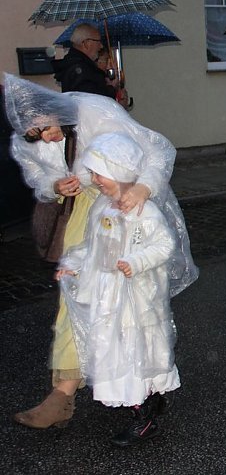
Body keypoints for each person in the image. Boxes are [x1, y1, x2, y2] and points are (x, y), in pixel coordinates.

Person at [3, 73, 196, 431]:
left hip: (126, 200)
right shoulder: (28, 137)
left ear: (52, 110)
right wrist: (54, 184)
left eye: (47, 129)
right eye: (36, 136)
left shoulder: (96, 113)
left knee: (129, 314)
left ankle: (134, 385)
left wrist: (142, 188)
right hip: (91, 210)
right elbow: (37, 175)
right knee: (79, 291)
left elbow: (155, 150)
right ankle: (69, 391)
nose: (47, 138)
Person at [56, 132, 182, 446]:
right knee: (116, 350)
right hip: (109, 299)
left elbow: (164, 245)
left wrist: (135, 262)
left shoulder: (145, 211)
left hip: (136, 301)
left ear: (119, 171)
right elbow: (93, 247)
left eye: (99, 173)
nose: (94, 180)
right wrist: (75, 265)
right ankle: (148, 398)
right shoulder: (104, 209)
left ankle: (144, 416)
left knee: (135, 352)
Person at [51, 23, 129, 109]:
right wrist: (112, 88)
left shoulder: (80, 65)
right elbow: (94, 100)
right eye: (98, 41)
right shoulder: (80, 69)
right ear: (86, 43)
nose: (101, 46)